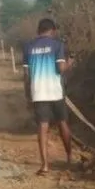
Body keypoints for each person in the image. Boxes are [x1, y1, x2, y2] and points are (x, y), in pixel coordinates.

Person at [22, 18, 75, 176]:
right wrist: (70, 62)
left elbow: (26, 75)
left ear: (39, 30)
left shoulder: (28, 47)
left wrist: (28, 94)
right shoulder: (57, 45)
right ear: (52, 31)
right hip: (55, 92)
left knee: (42, 129)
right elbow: (60, 68)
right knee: (62, 124)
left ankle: (45, 165)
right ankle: (70, 158)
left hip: (38, 93)